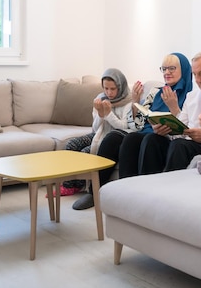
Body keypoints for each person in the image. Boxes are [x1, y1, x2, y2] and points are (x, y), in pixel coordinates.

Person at [72, 52, 193, 210]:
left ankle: (137, 195)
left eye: (172, 68)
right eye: (164, 69)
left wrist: (173, 108)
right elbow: (138, 123)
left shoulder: (191, 95)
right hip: (145, 131)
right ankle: (97, 192)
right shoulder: (155, 92)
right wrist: (136, 101)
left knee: (140, 139)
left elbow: (187, 130)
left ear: (183, 70)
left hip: (166, 138)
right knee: (114, 137)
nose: (167, 72)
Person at [65, 69, 133, 206]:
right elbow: (95, 128)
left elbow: (124, 127)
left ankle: (84, 188)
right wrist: (100, 115)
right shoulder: (100, 98)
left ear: (121, 86)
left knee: (85, 153)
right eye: (106, 88)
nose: (109, 93)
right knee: (71, 145)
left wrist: (108, 114)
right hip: (99, 133)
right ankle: (69, 185)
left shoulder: (128, 102)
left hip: (112, 137)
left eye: (113, 89)